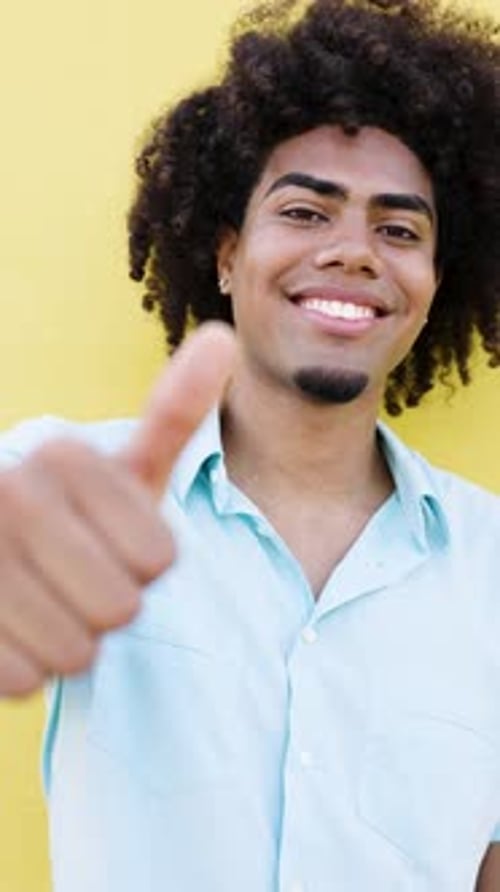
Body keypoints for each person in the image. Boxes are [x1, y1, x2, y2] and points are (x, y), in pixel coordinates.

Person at [0, 0, 499, 889]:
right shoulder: (69, 489)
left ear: (433, 285)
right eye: (306, 212)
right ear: (227, 254)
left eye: (399, 229)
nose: (353, 252)